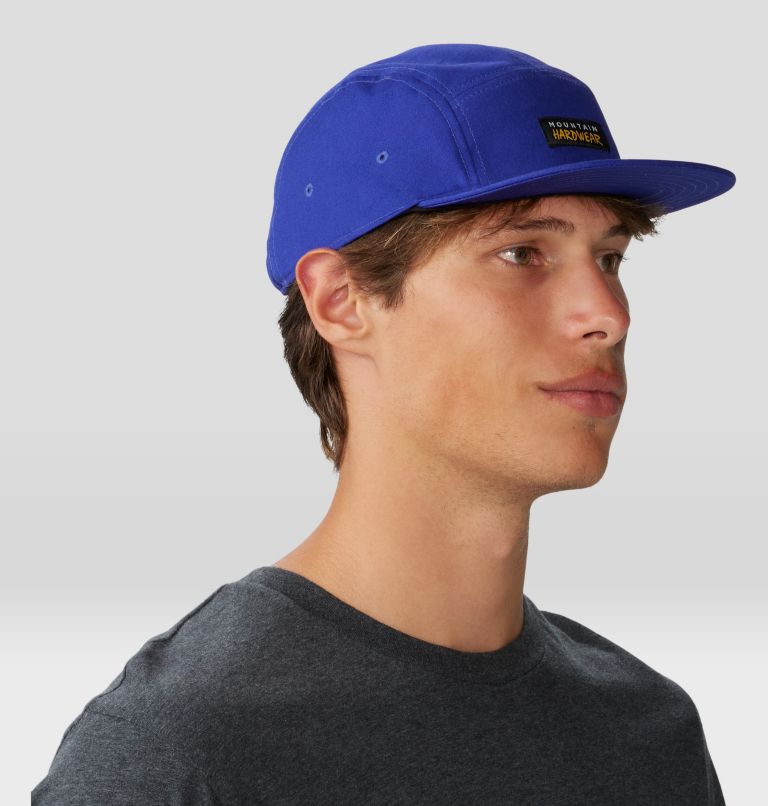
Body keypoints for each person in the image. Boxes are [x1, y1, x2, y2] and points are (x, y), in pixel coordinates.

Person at [33, 43, 734, 805]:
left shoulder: (647, 729)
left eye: (610, 259)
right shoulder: (181, 752)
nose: (607, 315)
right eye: (522, 253)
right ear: (341, 301)